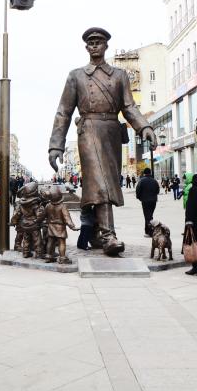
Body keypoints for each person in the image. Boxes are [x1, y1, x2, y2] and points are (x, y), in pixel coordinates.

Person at [49, 27, 157, 256]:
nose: (94, 45)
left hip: (111, 133)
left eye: (99, 41)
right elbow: (63, 112)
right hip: (88, 130)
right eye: (91, 42)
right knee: (100, 181)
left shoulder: (119, 75)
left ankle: (97, 233)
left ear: (106, 45)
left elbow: (129, 107)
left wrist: (144, 126)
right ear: (86, 46)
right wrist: (56, 145)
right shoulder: (76, 75)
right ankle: (108, 235)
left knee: (105, 182)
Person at [136, 168, 160, 237]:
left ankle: (149, 232)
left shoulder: (141, 181)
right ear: (150, 172)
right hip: (153, 201)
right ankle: (150, 230)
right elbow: (157, 191)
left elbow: (138, 190)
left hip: (145, 201)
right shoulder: (154, 181)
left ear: (144, 173)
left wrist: (139, 198)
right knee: (150, 216)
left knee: (147, 217)